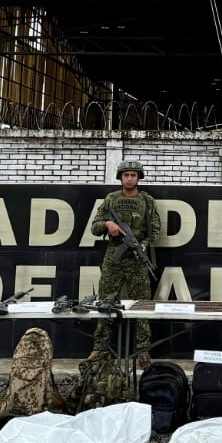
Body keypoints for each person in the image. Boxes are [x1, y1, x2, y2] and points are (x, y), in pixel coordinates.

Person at [90, 158, 161, 370]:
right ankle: (100, 348)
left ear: (139, 178)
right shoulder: (110, 199)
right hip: (114, 257)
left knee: (142, 306)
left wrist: (144, 245)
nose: (129, 178)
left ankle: (143, 350)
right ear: (120, 177)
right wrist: (107, 224)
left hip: (138, 259)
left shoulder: (147, 201)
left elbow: (155, 229)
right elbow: (94, 227)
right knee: (105, 303)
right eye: (126, 175)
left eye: (133, 175)